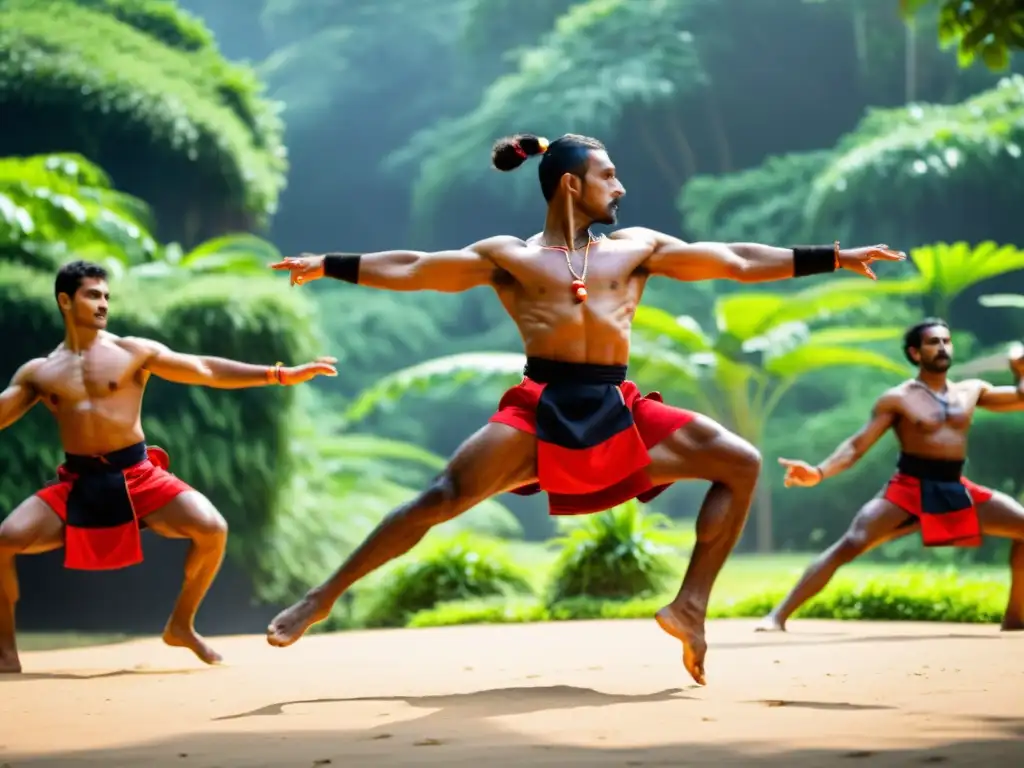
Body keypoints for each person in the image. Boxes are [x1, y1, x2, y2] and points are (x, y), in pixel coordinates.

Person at [266, 132, 904, 685]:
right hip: (541, 403)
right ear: (571, 186)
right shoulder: (509, 257)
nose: (620, 188)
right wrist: (329, 264)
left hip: (616, 402)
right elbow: (416, 267)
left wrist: (832, 257)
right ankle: (322, 598)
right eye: (608, 176)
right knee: (441, 496)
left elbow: (736, 259)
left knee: (739, 462)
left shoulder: (638, 248)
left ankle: (690, 608)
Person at [0, 260, 338, 673]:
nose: (103, 303)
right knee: (5, 539)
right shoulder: (39, 372)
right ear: (65, 301)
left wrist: (280, 374)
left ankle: (181, 624)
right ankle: (5, 650)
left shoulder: (131, 351)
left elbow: (205, 369)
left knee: (212, 529)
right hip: (79, 480)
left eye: (106, 295)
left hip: (137, 475)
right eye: (93, 295)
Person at [757, 318, 1024, 633]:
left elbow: (1020, 398)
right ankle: (778, 615)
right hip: (908, 488)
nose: (942, 347)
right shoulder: (898, 398)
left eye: (946, 341)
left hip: (954, 486)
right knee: (851, 543)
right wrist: (818, 472)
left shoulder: (972, 390)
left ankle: (1016, 617)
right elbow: (856, 445)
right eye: (933, 342)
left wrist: (1019, 369)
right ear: (915, 353)